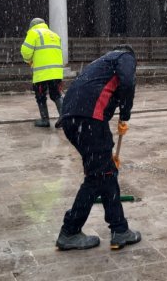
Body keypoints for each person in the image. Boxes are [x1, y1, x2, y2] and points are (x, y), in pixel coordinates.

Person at [54, 45, 142, 251]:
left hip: (73, 120)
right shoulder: (125, 56)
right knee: (97, 176)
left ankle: (119, 229)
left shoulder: (100, 65)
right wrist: (126, 113)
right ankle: (70, 230)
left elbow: (102, 93)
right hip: (89, 120)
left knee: (104, 173)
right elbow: (128, 82)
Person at [20, 18, 64, 128]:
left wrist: (28, 60)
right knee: (56, 94)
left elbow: (25, 51)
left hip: (42, 73)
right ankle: (64, 116)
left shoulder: (33, 33)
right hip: (56, 72)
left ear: (32, 26)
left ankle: (45, 120)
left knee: (40, 96)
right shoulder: (54, 35)